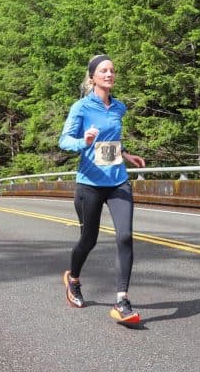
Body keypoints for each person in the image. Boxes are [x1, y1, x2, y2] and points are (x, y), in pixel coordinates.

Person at [58, 54, 146, 325]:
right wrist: (83, 141)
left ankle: (122, 300)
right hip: (90, 183)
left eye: (112, 71)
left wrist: (126, 154)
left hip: (118, 179)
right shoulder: (82, 107)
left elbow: (111, 141)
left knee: (125, 237)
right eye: (103, 71)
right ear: (92, 76)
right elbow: (64, 141)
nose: (109, 74)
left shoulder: (119, 107)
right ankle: (73, 278)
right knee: (89, 239)